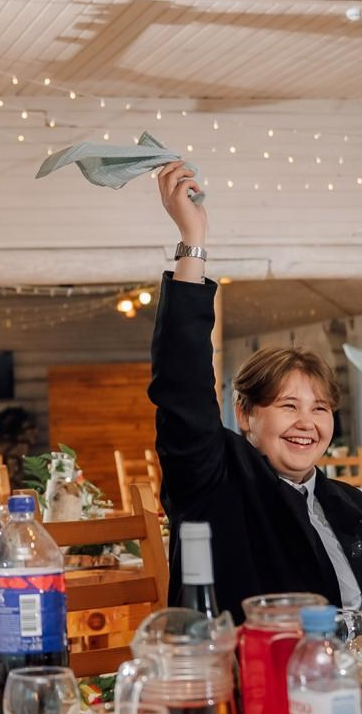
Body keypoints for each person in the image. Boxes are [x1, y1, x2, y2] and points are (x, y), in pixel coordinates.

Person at [150, 161, 362, 622]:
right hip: (259, 665)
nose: (307, 422)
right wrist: (192, 242)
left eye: (320, 408)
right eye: (288, 405)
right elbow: (182, 384)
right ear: (245, 414)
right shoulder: (215, 483)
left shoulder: (349, 505)